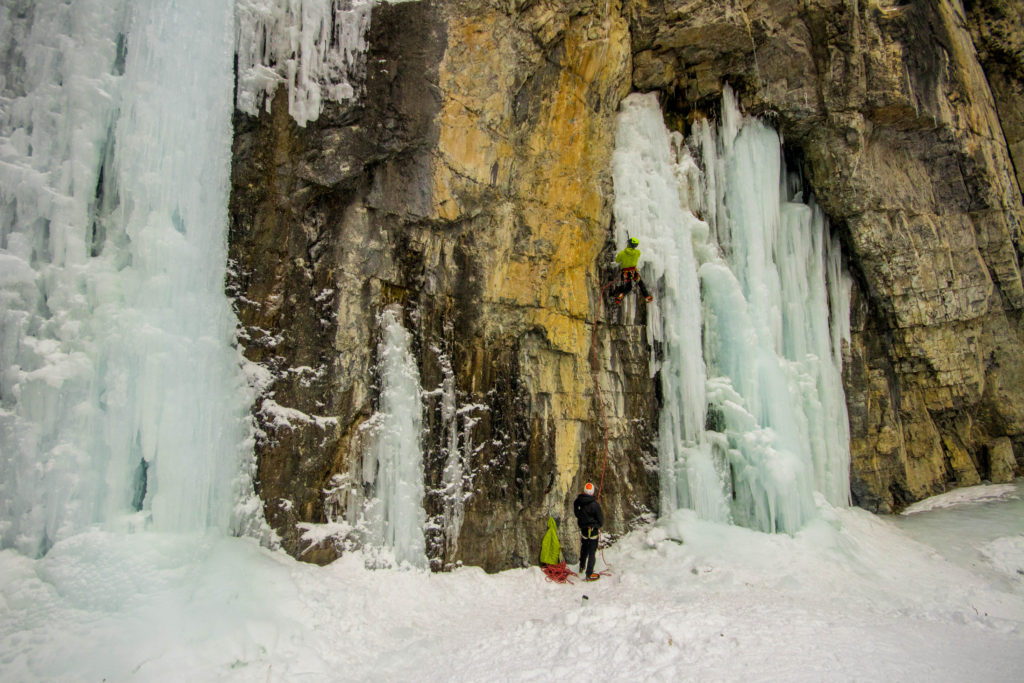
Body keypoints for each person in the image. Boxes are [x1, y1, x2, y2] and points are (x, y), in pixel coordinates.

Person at [573, 482, 604, 581]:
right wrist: (597, 526)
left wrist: (580, 518)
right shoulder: (595, 505)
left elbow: (576, 511)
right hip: (593, 530)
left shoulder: (579, 501)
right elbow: (601, 520)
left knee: (584, 548)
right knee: (591, 552)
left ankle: (582, 566)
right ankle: (589, 573)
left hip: (584, 530)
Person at [611, 237, 653, 305]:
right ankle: (647, 296)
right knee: (641, 284)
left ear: (629, 244)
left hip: (625, 273)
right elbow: (637, 255)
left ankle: (620, 297)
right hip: (634, 272)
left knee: (628, 287)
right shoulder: (637, 252)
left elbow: (617, 260)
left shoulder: (622, 253)